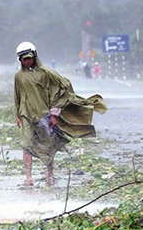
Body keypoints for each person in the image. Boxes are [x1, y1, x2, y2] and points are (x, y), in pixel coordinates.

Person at [14, 41, 107, 186]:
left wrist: (54, 114)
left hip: (44, 115)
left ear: (34, 56)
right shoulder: (18, 76)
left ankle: (50, 175)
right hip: (26, 115)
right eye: (23, 59)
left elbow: (63, 87)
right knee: (26, 145)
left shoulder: (46, 73)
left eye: (29, 58)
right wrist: (17, 115)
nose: (27, 61)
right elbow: (17, 96)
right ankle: (28, 178)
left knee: (49, 146)